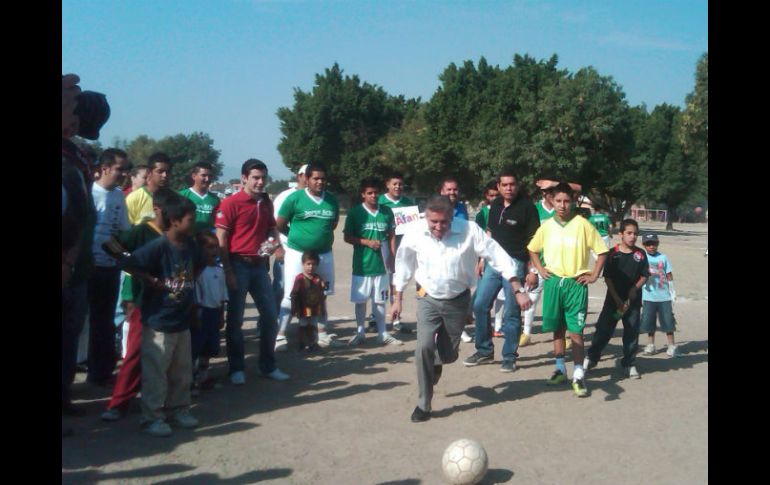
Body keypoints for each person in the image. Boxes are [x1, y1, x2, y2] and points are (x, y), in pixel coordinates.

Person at [390, 196, 530, 422]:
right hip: (428, 298)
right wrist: (397, 298)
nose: (438, 227)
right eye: (433, 222)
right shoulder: (415, 232)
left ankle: (437, 363)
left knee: (449, 354)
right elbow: (403, 263)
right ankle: (423, 404)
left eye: (443, 222)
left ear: (451, 218)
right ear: (426, 217)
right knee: (423, 346)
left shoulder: (469, 230)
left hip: (458, 301)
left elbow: (498, 255)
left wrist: (517, 287)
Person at [119, 195, 204, 437]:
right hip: (158, 322)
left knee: (182, 370)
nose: (194, 223)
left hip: (182, 319)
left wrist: (189, 285)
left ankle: (179, 409)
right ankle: (152, 417)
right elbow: (130, 264)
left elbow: (200, 263)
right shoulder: (158, 246)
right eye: (190, 219)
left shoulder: (191, 245)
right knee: (156, 373)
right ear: (175, 221)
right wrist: (150, 280)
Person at [100, 189, 176, 422]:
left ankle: (163, 401)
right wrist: (133, 267)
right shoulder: (142, 232)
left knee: (167, 355)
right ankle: (119, 403)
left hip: (169, 304)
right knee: (135, 352)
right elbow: (111, 246)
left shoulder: (176, 233)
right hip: (143, 301)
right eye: (171, 212)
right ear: (158, 210)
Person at [527, 182, 608, 398]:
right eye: (558, 201)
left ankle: (579, 375)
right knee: (557, 329)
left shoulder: (583, 224)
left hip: (575, 284)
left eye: (566, 201)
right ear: (552, 201)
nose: (562, 205)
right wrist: (540, 269)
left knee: (576, 332)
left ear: (572, 202)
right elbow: (533, 249)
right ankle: (560, 369)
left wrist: (594, 274)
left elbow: (602, 251)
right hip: (554, 283)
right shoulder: (546, 226)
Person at [62, 77, 111, 424]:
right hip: (67, 261)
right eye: (71, 107)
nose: (76, 120)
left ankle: (64, 395)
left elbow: (82, 213)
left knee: (70, 332)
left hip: (78, 264)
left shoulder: (77, 154)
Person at [215, 159, 289, 385]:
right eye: (255, 177)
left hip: (258, 267)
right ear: (244, 178)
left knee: (269, 316)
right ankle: (236, 368)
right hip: (237, 265)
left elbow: (271, 228)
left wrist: (276, 245)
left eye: (263, 178)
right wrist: (227, 270)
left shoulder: (265, 203)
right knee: (235, 319)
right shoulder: (230, 203)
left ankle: (268, 365)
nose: (259, 182)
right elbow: (221, 239)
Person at [465, 169, 540, 373]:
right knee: (480, 305)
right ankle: (484, 350)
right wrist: (482, 259)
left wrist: (532, 270)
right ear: (498, 186)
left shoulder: (527, 208)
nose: (508, 188)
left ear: (518, 185)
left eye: (512, 184)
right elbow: (489, 234)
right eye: (504, 185)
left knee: (512, 312)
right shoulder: (495, 204)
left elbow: (535, 242)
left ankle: (509, 356)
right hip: (493, 263)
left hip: (516, 263)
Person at [275, 164, 343, 350]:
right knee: (291, 294)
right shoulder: (294, 198)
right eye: (316, 178)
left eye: (323, 178)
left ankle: (321, 334)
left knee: (322, 293)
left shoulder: (331, 200)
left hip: (324, 254)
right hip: (298, 253)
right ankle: (280, 335)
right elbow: (280, 224)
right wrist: (297, 237)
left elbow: (333, 224)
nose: (320, 182)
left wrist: (317, 238)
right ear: (307, 179)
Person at [86, 148, 131, 386]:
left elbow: (123, 231)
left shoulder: (118, 196)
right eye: (119, 169)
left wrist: (122, 257)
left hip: (109, 268)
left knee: (104, 322)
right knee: (80, 322)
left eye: (125, 170)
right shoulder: (89, 193)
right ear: (104, 168)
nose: (123, 174)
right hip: (85, 268)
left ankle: (100, 372)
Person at [584, 219, 649, 379]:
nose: (632, 237)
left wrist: (635, 288)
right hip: (614, 304)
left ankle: (629, 363)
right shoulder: (613, 254)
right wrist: (618, 300)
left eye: (635, 233)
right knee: (604, 331)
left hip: (631, 304)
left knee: (631, 332)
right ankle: (592, 358)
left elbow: (645, 275)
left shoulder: (640, 255)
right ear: (621, 234)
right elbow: (608, 278)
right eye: (629, 233)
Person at [343, 177, 402, 346]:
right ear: (363, 194)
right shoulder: (355, 212)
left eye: (376, 192)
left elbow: (391, 234)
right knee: (361, 300)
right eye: (369, 193)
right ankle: (360, 332)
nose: (373, 196)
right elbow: (347, 237)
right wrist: (367, 242)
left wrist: (392, 255)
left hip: (382, 265)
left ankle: (382, 333)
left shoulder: (386, 211)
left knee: (380, 300)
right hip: (362, 265)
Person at [269, 164, 308, 328]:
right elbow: (273, 225)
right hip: (286, 250)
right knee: (281, 287)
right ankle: (270, 323)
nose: (308, 179)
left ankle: (305, 326)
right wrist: (277, 247)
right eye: (305, 175)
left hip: (308, 253)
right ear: (299, 176)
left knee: (307, 289)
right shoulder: (285, 196)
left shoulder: (316, 197)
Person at [378, 172, 417, 334]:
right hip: (384, 243)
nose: (398, 187)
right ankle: (376, 317)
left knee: (397, 280)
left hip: (403, 244)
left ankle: (396, 319)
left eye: (400, 184)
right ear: (387, 184)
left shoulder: (407, 202)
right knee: (382, 280)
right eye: (394, 183)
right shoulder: (380, 201)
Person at [191, 231, 228, 392]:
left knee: (210, 347)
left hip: (214, 312)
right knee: (195, 347)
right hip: (201, 313)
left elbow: (222, 296)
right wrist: (195, 315)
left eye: (216, 247)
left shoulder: (220, 271)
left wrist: (221, 314)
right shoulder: (197, 273)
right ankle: (190, 381)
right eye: (209, 247)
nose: (214, 251)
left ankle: (203, 377)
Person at [639, 234, 679, 357]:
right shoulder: (642, 258)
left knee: (668, 321)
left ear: (658, 244)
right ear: (644, 245)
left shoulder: (663, 257)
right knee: (649, 321)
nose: (651, 246)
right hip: (648, 296)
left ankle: (671, 345)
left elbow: (669, 274)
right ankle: (651, 345)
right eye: (648, 244)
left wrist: (672, 290)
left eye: (654, 244)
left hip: (664, 296)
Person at [289, 251, 326, 352]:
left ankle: (313, 343)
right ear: (303, 264)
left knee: (313, 325)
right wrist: (294, 308)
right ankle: (302, 343)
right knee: (303, 325)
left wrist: (322, 308)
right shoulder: (300, 279)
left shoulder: (318, 279)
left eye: (313, 264)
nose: (311, 267)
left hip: (315, 309)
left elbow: (322, 294)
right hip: (303, 308)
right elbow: (294, 294)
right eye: (308, 264)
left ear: (317, 265)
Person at [125, 153, 172, 225]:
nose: (164, 175)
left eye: (168, 172)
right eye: (160, 171)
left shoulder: (175, 199)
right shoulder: (133, 198)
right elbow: (126, 230)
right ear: (149, 172)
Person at [179, 162, 221, 234]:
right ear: (194, 176)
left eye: (210, 176)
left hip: (206, 242)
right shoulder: (182, 195)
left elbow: (217, 223)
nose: (207, 179)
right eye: (203, 175)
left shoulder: (215, 200)